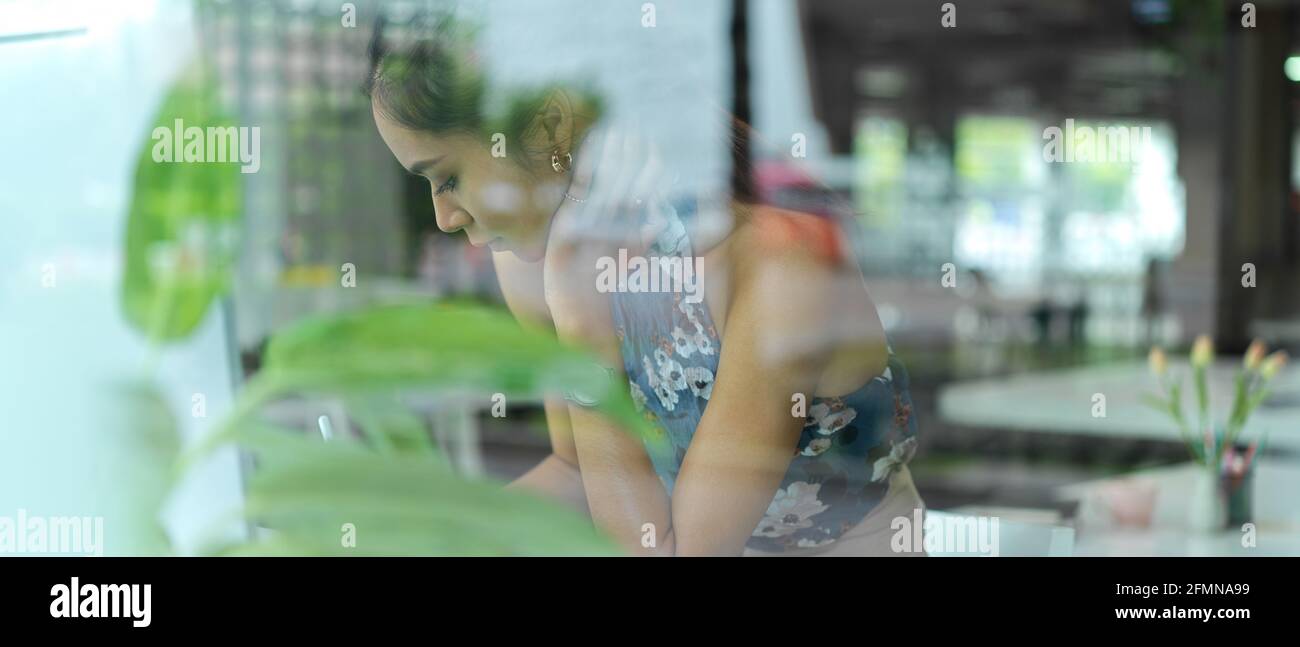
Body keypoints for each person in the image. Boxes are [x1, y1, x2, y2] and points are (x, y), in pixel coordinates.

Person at [363, 11, 924, 556]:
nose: (443, 217)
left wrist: (584, 326)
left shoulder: (776, 269)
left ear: (552, 124)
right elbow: (580, 472)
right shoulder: (535, 262)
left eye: (448, 177)